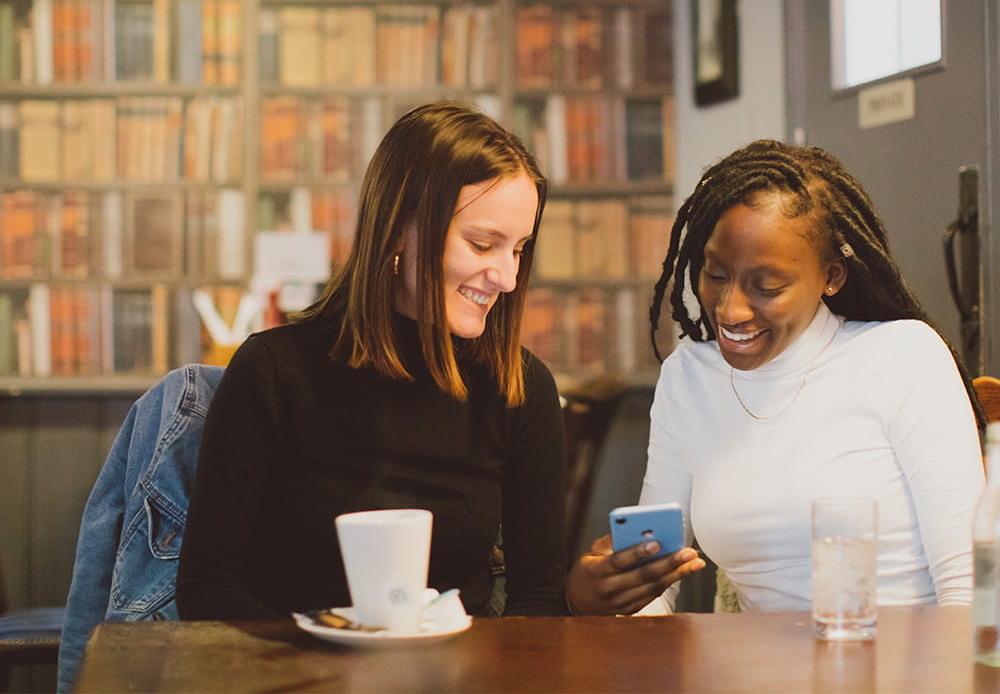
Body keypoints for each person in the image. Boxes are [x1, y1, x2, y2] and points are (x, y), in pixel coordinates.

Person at [176, 100, 567, 620]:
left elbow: (537, 599)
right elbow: (208, 589)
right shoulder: (274, 372)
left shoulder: (521, 387)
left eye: (518, 249)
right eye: (481, 244)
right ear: (398, 230)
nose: (508, 277)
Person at [566, 138, 985, 616]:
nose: (730, 310)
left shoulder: (903, 356)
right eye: (716, 275)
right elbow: (658, 586)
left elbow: (967, 587)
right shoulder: (689, 377)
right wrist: (608, 597)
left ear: (832, 277)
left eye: (767, 286)